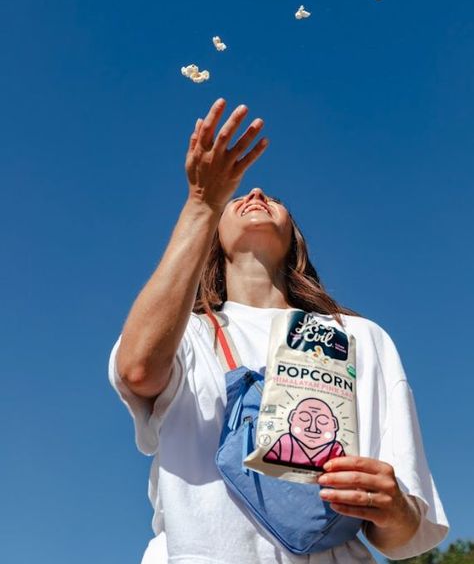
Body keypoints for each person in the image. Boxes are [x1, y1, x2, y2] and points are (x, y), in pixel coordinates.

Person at [109, 98, 449, 564]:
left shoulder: (359, 338)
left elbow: (404, 536)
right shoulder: (185, 334)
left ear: (295, 240)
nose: (257, 194)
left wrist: (395, 509)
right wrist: (201, 203)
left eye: (274, 200)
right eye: (236, 200)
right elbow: (138, 369)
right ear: (212, 241)